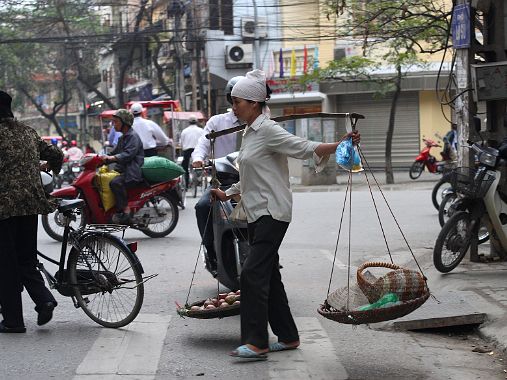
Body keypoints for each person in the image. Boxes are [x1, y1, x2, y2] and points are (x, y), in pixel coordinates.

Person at [210, 70, 360, 360]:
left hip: (272, 212)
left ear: (253, 103)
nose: (233, 107)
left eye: (237, 102)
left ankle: (256, 343)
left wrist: (341, 144)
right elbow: (252, 174)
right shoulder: (250, 132)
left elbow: (304, 148)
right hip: (257, 212)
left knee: (252, 275)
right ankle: (288, 336)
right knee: (269, 277)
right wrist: (227, 193)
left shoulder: (267, 129)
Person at [0, 90, 64, 333]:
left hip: (4, 209)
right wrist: (51, 167)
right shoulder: (27, 131)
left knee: (6, 266)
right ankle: (44, 299)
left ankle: (14, 321)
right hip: (30, 205)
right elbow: (56, 154)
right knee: (26, 259)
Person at [191, 76, 244, 275]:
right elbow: (203, 144)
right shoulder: (217, 122)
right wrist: (198, 158)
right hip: (223, 180)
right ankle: (211, 250)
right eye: (236, 99)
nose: (239, 104)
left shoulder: (258, 123)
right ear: (230, 100)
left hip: (251, 180)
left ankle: (271, 255)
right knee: (203, 207)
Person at [103, 109, 144, 224]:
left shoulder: (133, 136)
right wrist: (101, 158)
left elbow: (128, 154)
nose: (113, 125)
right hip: (124, 170)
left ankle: (125, 210)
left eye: (115, 122)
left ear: (125, 123)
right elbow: (113, 153)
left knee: (115, 183)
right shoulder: (123, 138)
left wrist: (112, 158)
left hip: (132, 171)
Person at [179, 114, 203, 189]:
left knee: (184, 167)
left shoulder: (184, 131)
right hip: (198, 150)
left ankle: (186, 184)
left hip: (187, 151)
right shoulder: (201, 130)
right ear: (196, 122)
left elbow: (181, 144)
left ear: (188, 122)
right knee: (202, 165)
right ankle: (199, 178)